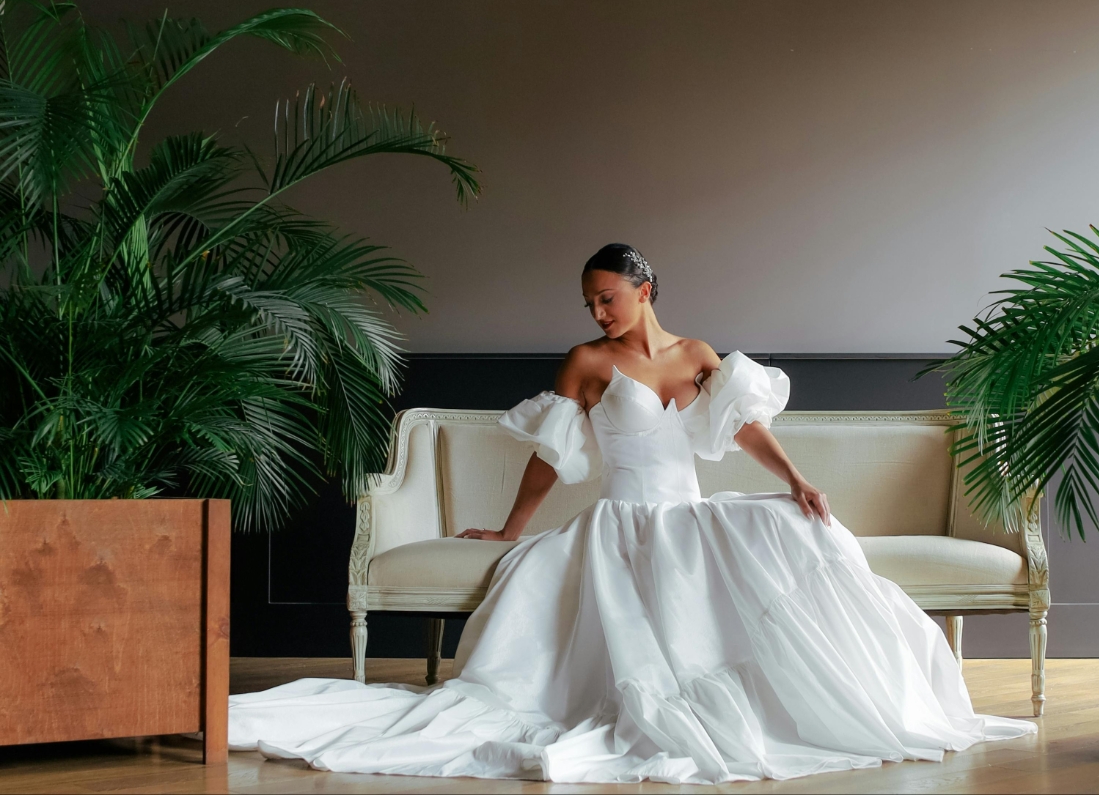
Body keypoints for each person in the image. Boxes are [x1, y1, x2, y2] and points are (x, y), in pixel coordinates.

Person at [227, 243, 1037, 784]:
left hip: (689, 514)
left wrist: (797, 479)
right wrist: (511, 530)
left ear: (644, 290)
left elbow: (743, 429)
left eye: (607, 298)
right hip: (621, 524)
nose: (597, 313)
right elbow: (550, 456)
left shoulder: (698, 356)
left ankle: (847, 696)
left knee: (803, 530)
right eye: (589, 303)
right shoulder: (586, 363)